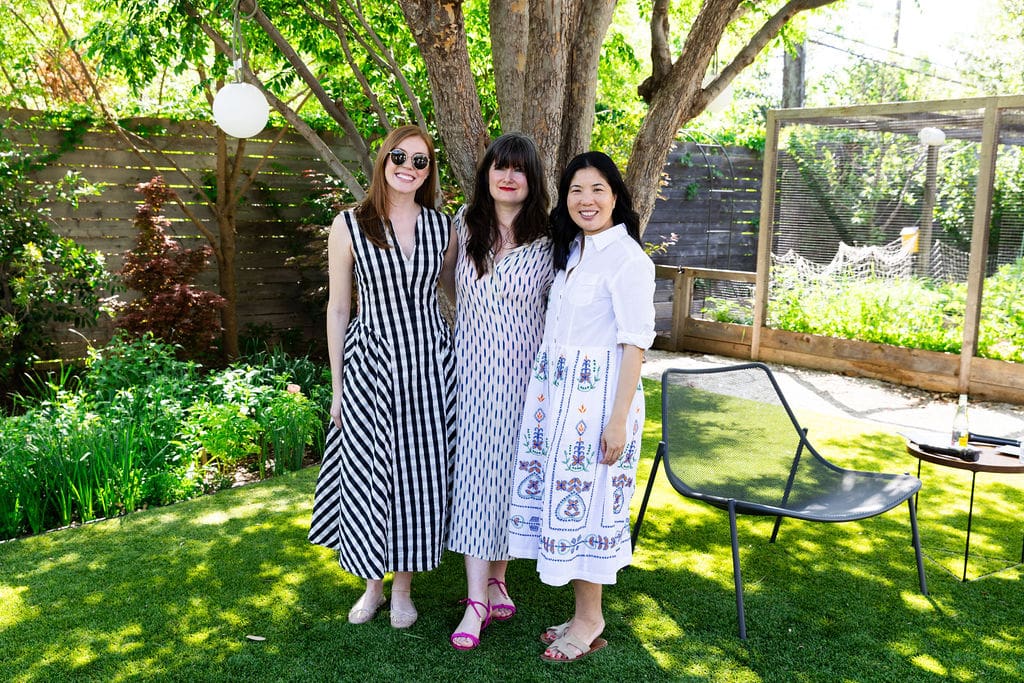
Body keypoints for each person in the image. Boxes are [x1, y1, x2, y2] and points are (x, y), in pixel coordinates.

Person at [507, 151, 655, 662]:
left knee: (589, 508)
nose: (585, 200)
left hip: (598, 405)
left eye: (596, 189)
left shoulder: (629, 260)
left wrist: (617, 421)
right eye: (575, 190)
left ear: (615, 196)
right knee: (564, 504)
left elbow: (635, 343)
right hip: (558, 400)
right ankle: (580, 612)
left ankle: (591, 619)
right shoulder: (572, 252)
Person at [308, 124, 457, 630]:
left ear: (428, 171)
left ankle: (403, 590)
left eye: (420, 161)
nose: (408, 168)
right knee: (371, 476)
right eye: (400, 156)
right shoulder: (350, 224)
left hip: (430, 367)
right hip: (370, 363)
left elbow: (452, 296)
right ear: (383, 160)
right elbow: (338, 308)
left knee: (420, 476)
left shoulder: (443, 228)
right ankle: (372, 585)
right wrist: (337, 388)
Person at [447, 133, 554, 651]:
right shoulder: (462, 228)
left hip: (523, 383)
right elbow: (442, 283)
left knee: (510, 482)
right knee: (473, 482)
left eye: (519, 170)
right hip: (469, 379)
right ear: (486, 174)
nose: (507, 177)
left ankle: (498, 576)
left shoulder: (551, 242)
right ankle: (475, 601)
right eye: (499, 167)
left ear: (532, 182)